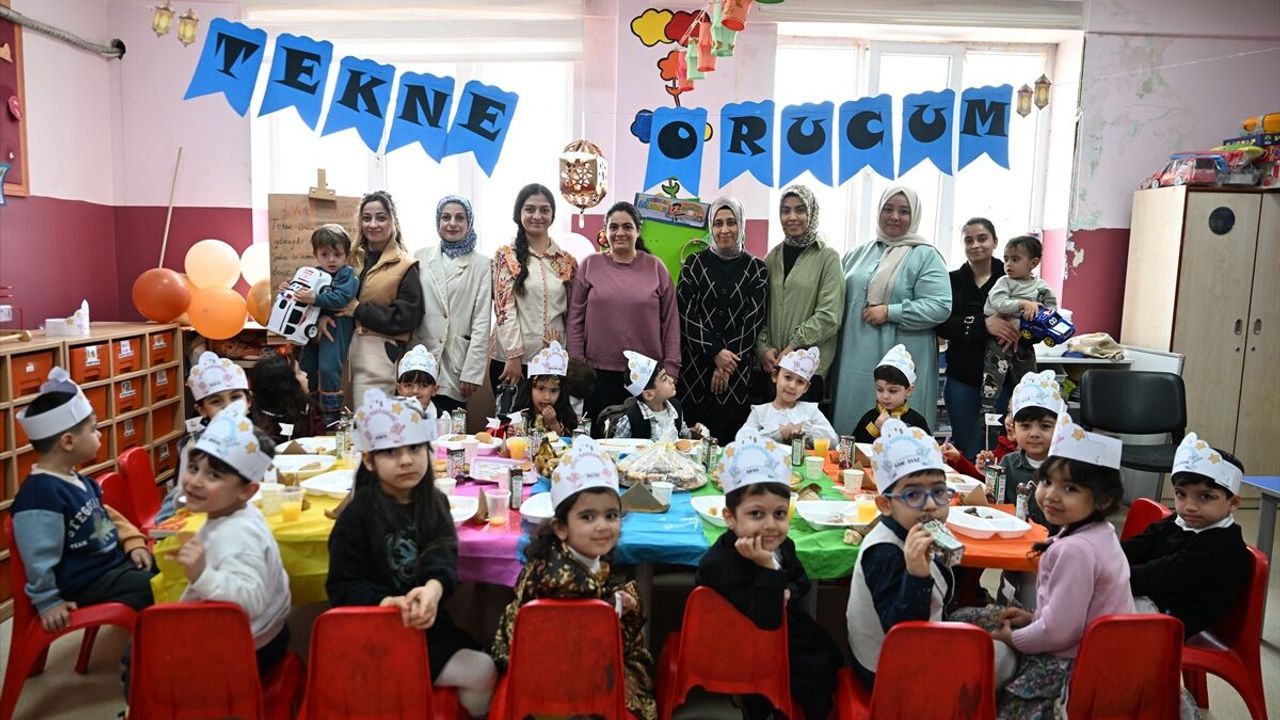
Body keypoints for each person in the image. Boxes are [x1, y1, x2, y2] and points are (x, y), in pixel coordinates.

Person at [327, 389, 496, 718]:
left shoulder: (435, 502)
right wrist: (388, 604)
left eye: (415, 448)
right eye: (391, 451)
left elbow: (442, 555)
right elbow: (342, 587)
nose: (406, 460)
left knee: (485, 668)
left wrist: (433, 589)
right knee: (477, 671)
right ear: (369, 460)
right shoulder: (356, 516)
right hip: (371, 631)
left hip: (426, 627)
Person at [973, 415, 1133, 717]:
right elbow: (1072, 610)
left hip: (1073, 663)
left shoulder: (1076, 550)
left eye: (1070, 489)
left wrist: (1013, 639)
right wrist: (1033, 616)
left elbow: (1061, 632)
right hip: (1087, 645)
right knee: (971, 618)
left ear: (1103, 500)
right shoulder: (1096, 532)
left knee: (1000, 696)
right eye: (1047, 482)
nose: (1051, 495)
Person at [491, 436, 658, 720]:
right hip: (541, 663)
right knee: (636, 670)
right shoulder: (561, 574)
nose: (602, 526)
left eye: (611, 515)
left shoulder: (576, 554)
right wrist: (617, 603)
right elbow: (581, 616)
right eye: (588, 517)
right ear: (560, 528)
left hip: (557, 646)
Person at [695, 428, 842, 720]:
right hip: (741, 644)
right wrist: (768, 568)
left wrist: (788, 592)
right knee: (815, 668)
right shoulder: (719, 563)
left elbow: (801, 582)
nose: (771, 525)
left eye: (779, 513)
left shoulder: (783, 545)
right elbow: (766, 618)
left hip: (782, 629)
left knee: (830, 653)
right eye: (756, 514)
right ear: (730, 518)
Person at [12, 369, 155, 635]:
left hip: (110, 565)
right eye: (93, 429)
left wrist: (132, 543)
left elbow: (105, 518)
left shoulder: (78, 480)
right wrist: (48, 601)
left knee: (168, 566)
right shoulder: (39, 494)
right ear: (68, 442)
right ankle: (147, 652)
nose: (99, 435)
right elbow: (38, 557)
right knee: (154, 588)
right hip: (85, 580)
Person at [172, 401, 291, 674]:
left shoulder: (238, 536)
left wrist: (202, 575)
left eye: (213, 475)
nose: (195, 481)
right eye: (193, 468)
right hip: (263, 633)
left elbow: (251, 601)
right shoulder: (235, 513)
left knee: (143, 652)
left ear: (246, 491)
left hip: (247, 647)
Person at [846, 419, 955, 690]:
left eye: (939, 491)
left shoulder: (917, 530)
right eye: (913, 494)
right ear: (885, 504)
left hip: (917, 642)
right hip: (888, 670)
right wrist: (916, 576)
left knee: (998, 623)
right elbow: (903, 633)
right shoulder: (885, 551)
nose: (930, 505)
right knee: (1001, 655)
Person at [833, 186, 951, 433]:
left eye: (904, 211)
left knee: (903, 436)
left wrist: (890, 312)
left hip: (905, 355)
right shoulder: (857, 254)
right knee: (852, 428)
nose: (895, 216)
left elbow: (940, 306)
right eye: (888, 209)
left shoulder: (925, 256)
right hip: (855, 357)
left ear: (914, 215)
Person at [1123, 433, 1251, 639]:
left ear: (1233, 503)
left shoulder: (1220, 545)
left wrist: (1104, 574)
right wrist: (1103, 554)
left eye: (1205, 496)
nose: (1190, 506)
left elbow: (1158, 576)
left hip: (1170, 621)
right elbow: (1142, 544)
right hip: (1154, 600)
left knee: (1091, 607)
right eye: (1181, 494)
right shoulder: (1180, 521)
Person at [567, 201, 680, 422]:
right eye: (614, 227)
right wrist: (577, 365)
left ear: (638, 230)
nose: (620, 233)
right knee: (599, 436)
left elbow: (671, 323)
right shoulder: (589, 266)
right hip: (597, 374)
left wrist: (671, 368)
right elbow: (575, 321)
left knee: (644, 436)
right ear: (605, 231)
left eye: (627, 227)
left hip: (647, 376)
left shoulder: (656, 268)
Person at [677, 195, 769, 443]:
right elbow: (686, 314)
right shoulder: (694, 264)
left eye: (731, 222)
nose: (724, 229)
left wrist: (726, 364)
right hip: (695, 373)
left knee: (728, 447)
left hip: (735, 378)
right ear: (711, 227)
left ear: (741, 224)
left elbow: (752, 321)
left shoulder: (757, 269)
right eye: (718, 223)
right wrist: (716, 352)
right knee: (691, 445)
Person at [755, 185, 844, 403]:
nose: (792, 217)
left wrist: (793, 346)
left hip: (807, 371)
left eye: (800, 210)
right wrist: (762, 349)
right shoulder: (772, 258)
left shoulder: (828, 258)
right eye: (785, 210)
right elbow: (760, 310)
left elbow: (829, 316)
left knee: (801, 426)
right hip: (772, 368)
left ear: (811, 213)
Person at [937, 218, 1014, 459]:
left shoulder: (1013, 278)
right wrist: (984, 324)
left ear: (995, 242)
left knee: (998, 447)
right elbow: (942, 323)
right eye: (969, 240)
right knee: (965, 447)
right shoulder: (951, 281)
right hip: (962, 375)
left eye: (982, 238)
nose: (975, 245)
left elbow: (1034, 317)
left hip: (1003, 379)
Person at [340, 190, 425, 407]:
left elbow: (408, 316)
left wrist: (360, 310)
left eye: (381, 217)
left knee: (373, 421)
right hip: (344, 350)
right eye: (367, 218)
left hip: (377, 355)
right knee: (347, 421)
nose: (373, 224)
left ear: (392, 220)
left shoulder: (405, 264)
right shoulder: (349, 258)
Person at [491, 183, 577, 395]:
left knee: (550, 417)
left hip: (554, 360)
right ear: (518, 213)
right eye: (530, 209)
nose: (537, 216)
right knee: (512, 417)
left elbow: (573, 314)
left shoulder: (566, 261)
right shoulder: (506, 255)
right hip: (512, 362)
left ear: (553, 215)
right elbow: (504, 309)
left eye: (544, 210)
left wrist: (562, 349)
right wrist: (513, 355)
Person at [413, 195, 491, 415]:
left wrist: (472, 371)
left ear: (469, 222)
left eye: (460, 218)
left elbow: (482, 321)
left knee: (451, 429)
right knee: (415, 425)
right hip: (421, 355)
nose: (452, 223)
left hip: (456, 363)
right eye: (446, 217)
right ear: (438, 221)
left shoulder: (482, 264)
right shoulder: (420, 256)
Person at [156, 351, 253, 524]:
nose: (229, 407)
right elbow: (178, 506)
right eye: (216, 402)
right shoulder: (197, 447)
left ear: (248, 401)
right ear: (202, 410)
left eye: (235, 398)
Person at [290, 223, 358, 427]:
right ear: (316, 255)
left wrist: (314, 298)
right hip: (311, 328)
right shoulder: (312, 274)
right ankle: (309, 409)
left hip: (337, 326)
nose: (331, 259)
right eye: (325, 254)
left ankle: (331, 414)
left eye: (337, 254)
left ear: (346, 255)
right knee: (306, 369)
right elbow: (299, 296)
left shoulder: (348, 275)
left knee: (328, 368)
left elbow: (341, 298)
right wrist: (290, 290)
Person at [979, 370, 1064, 531]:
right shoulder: (1008, 463)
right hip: (1013, 535)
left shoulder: (1065, 468)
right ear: (1013, 429)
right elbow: (996, 505)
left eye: (1045, 426)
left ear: (1060, 428)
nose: (1034, 433)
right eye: (1025, 426)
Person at [981, 236, 1057, 412]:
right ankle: (987, 408)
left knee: (1028, 378)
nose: (1008, 264)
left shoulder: (1042, 287)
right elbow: (998, 304)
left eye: (1015, 259)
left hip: (1024, 340)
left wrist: (1034, 314)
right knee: (993, 375)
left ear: (1033, 263)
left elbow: (1051, 311)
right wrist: (1023, 304)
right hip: (1000, 339)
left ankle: (1028, 406)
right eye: (1006, 259)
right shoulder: (1004, 282)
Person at [742, 347, 837, 444]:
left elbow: (834, 440)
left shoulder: (810, 410)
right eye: (788, 377)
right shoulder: (759, 412)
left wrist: (804, 429)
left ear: (806, 387)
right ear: (775, 376)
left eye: (800, 382)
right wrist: (778, 433)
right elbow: (743, 442)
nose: (792, 386)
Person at [612, 350, 706, 440]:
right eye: (664, 379)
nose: (671, 380)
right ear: (649, 395)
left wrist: (695, 432)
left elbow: (683, 435)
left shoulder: (675, 408)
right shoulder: (632, 419)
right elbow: (615, 447)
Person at [851, 344, 931, 444]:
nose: (885, 396)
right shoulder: (869, 418)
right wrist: (875, 429)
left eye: (893, 391)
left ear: (909, 390)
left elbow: (929, 448)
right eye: (880, 390)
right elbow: (855, 447)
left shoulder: (916, 421)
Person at [249, 350, 319, 444]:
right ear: (285, 386)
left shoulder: (307, 408)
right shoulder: (263, 430)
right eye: (298, 372)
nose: (305, 374)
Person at [509, 341, 578, 436]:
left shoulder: (564, 414)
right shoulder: (521, 413)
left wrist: (553, 423)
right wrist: (511, 433)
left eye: (554, 391)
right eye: (541, 389)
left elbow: (566, 440)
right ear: (530, 388)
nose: (547, 397)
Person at [396, 344, 440, 421]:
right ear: (399, 388)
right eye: (408, 385)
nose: (415, 391)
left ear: (434, 390)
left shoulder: (442, 418)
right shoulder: (389, 416)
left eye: (423, 386)